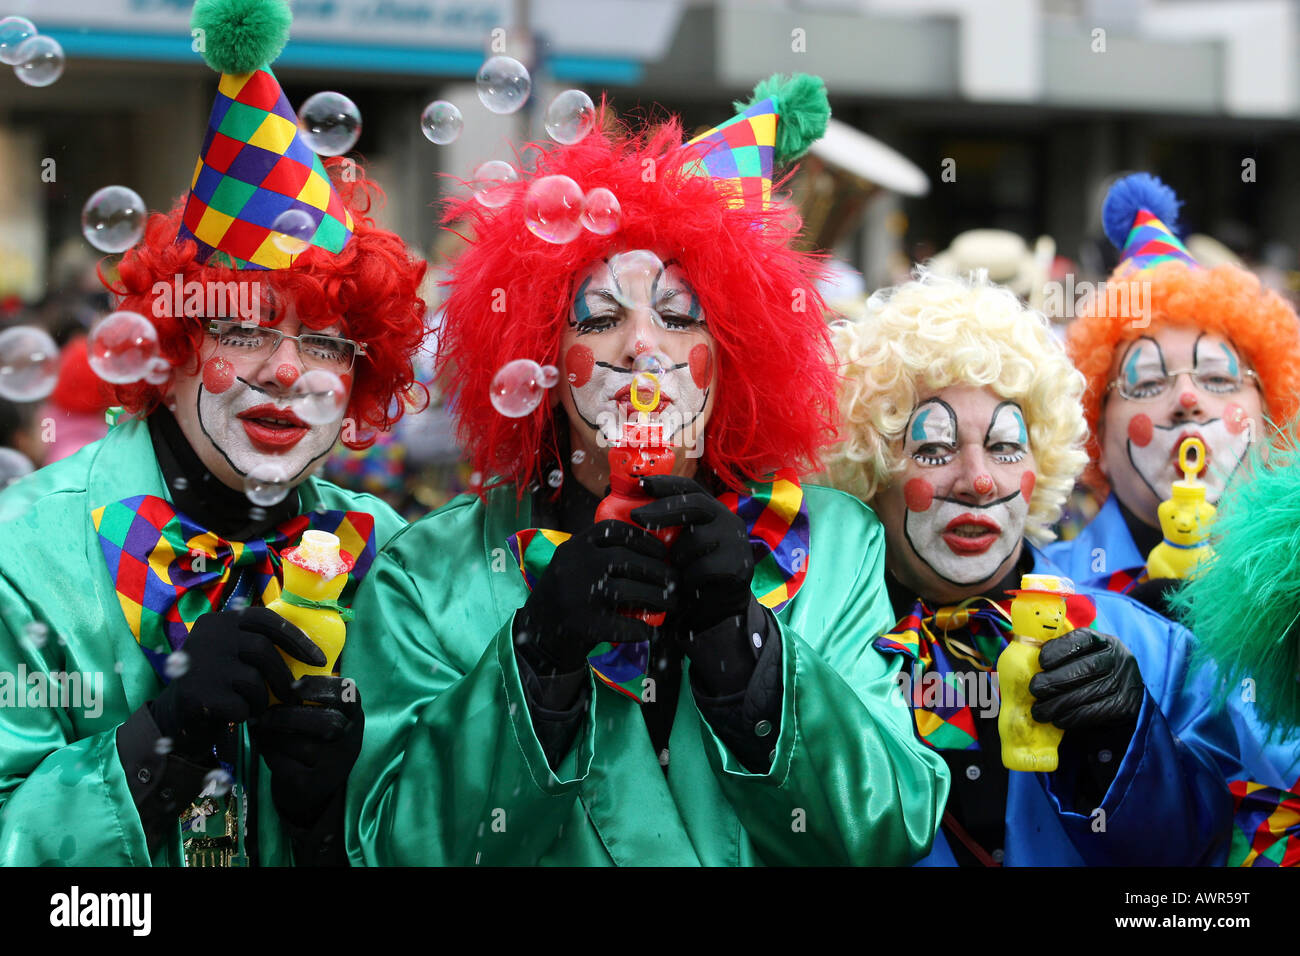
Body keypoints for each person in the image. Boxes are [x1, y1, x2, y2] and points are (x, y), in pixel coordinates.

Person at [344, 75, 949, 866]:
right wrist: (537, 660)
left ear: (735, 355)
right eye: (597, 319)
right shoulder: (428, 575)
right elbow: (390, 847)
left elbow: (890, 826)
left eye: (678, 315)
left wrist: (751, 651)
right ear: (540, 359)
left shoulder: (834, 546)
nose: (641, 348)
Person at [0, 0, 427, 866]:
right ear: (173, 344)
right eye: (242, 328)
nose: (284, 369)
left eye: (324, 342)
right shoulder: (24, 556)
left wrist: (327, 824)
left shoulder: (389, 559)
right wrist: (159, 740)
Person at [824, 268, 1236, 865]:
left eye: (1004, 445)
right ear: (868, 472)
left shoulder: (1153, 648)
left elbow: (1199, 863)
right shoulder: (817, 655)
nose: (979, 480)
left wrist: (1123, 745)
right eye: (934, 449)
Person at [1043, 173, 1300, 606]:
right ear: (1096, 434)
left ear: (1270, 417)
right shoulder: (1035, 594)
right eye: (1146, 383)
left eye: (1219, 378)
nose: (1187, 401)